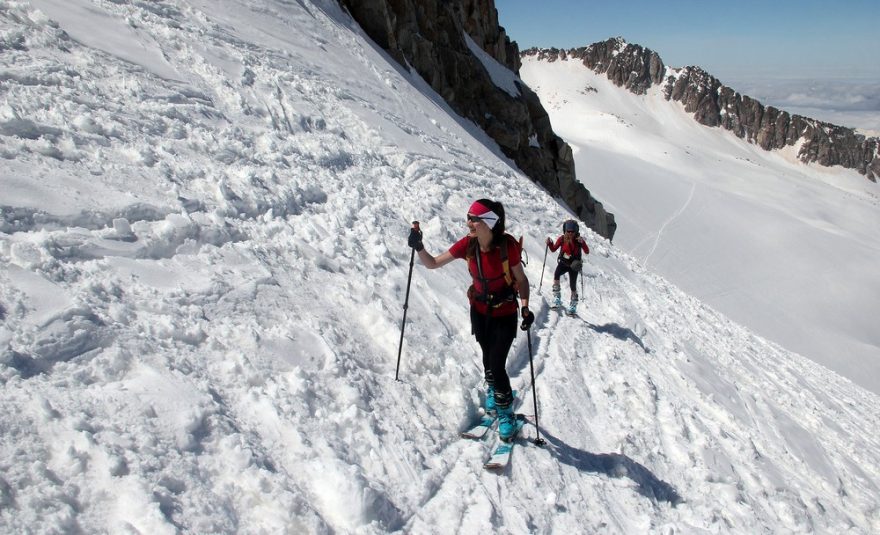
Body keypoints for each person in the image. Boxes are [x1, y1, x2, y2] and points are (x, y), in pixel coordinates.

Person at [407, 199, 534, 441]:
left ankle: (506, 412)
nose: (469, 223)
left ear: (488, 222)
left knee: (497, 364)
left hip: (505, 313)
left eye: (474, 218)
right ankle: (493, 389)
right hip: (480, 311)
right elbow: (433, 263)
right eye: (469, 217)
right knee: (487, 357)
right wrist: (419, 246)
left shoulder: (507, 248)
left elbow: (522, 280)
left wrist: (526, 308)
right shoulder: (469, 245)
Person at [546, 219, 589, 315]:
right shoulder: (562, 239)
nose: (570, 233)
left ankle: (573, 305)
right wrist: (549, 244)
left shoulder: (579, 241)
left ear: (576, 231)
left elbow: (587, 251)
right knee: (556, 275)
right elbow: (553, 249)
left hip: (574, 266)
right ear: (565, 231)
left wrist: (583, 243)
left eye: (572, 232)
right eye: (568, 231)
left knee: (572, 285)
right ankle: (557, 298)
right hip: (564, 263)